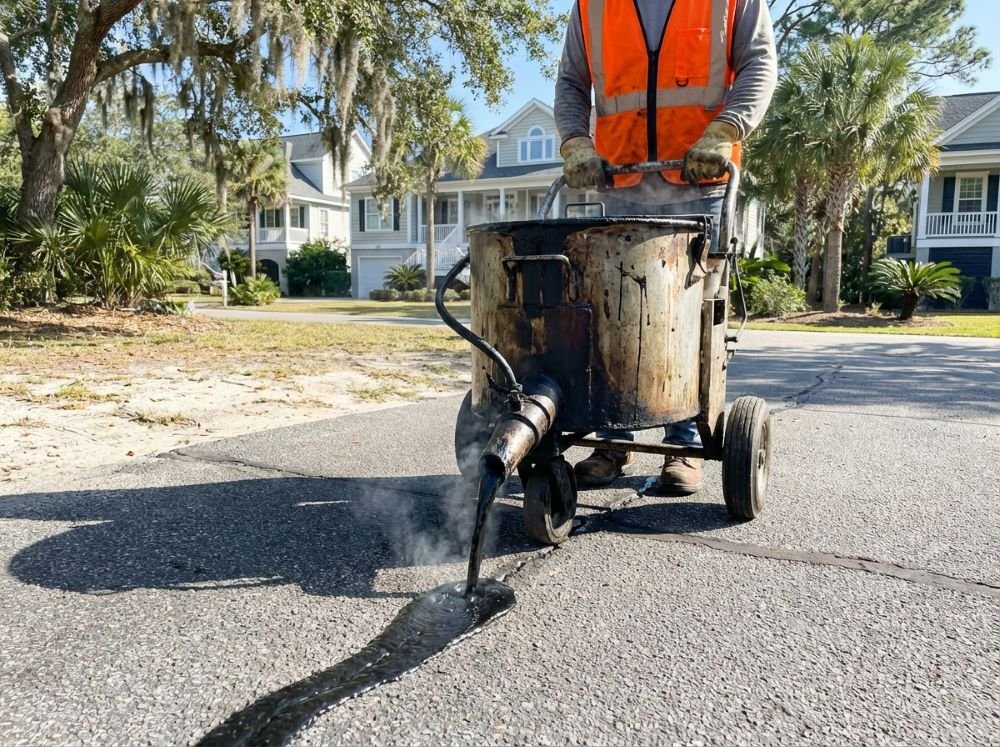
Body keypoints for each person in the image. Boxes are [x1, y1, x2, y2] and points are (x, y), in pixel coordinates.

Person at [554, 0, 777, 492]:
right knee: (611, 314)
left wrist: (726, 130)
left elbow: (759, 63)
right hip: (621, 178)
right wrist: (575, 142)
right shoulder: (592, 6)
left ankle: (683, 444)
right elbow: (572, 81)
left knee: (688, 313)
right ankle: (612, 440)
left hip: (700, 179)